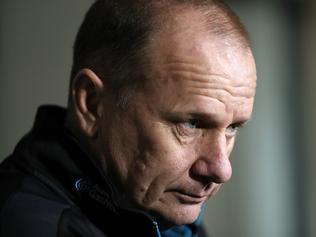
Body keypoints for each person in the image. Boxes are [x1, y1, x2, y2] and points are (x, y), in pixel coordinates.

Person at [0, 0, 257, 236]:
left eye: (232, 127)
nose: (221, 169)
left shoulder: (164, 218)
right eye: (190, 124)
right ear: (92, 104)